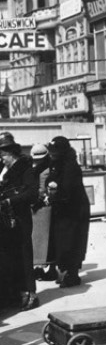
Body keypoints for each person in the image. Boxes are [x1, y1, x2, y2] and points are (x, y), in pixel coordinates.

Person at [0, 133, 39, 311]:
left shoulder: (25, 169)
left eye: (4, 155)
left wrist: (10, 201)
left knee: (24, 254)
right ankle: (16, 293)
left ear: (12, 153)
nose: (2, 159)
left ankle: (30, 293)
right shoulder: (4, 169)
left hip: (20, 218)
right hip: (7, 220)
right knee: (11, 256)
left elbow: (31, 194)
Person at [45, 136, 90, 288]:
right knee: (62, 242)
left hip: (75, 210)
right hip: (64, 209)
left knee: (72, 242)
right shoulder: (56, 163)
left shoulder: (71, 166)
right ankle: (64, 272)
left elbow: (68, 190)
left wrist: (55, 192)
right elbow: (50, 179)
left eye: (54, 153)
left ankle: (73, 275)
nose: (51, 155)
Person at [30, 143, 58, 282]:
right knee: (40, 242)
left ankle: (48, 269)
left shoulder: (46, 169)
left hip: (45, 207)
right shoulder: (46, 168)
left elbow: (48, 189)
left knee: (46, 242)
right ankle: (40, 268)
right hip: (40, 208)